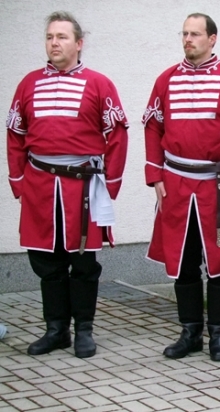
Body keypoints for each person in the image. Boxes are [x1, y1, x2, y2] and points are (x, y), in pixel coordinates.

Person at [6, 11, 129, 359]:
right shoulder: (28, 84)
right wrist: (19, 181)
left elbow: (117, 135)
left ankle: (84, 329)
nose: (54, 43)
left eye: (61, 37)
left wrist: (110, 184)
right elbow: (15, 134)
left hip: (82, 187)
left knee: (84, 260)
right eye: (49, 37)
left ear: (79, 43)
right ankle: (56, 329)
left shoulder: (99, 84)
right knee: (46, 261)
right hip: (40, 185)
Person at [143, 13, 220, 362]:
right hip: (176, 185)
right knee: (184, 262)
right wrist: (155, 175)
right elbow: (153, 127)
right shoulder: (166, 79)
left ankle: (219, 335)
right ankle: (190, 332)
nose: (188, 39)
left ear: (212, 39)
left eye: (195, 34)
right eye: (184, 33)